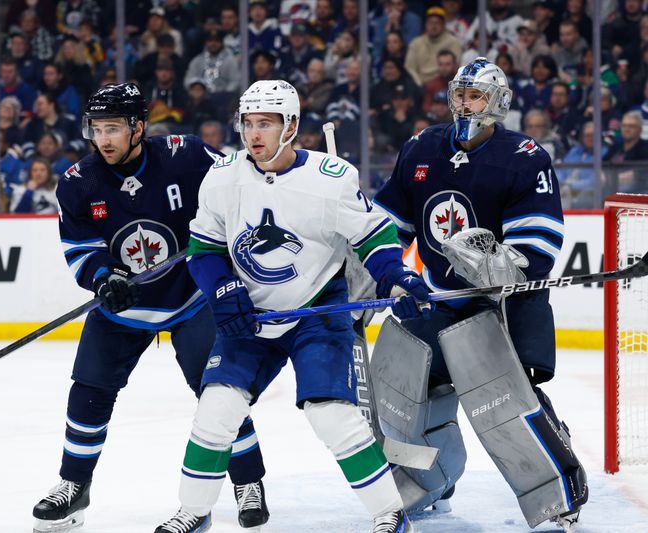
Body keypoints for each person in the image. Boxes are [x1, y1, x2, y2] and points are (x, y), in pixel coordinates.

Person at [154, 79, 432, 533]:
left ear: (292, 126)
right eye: (248, 123)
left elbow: (374, 238)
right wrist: (223, 290)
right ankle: (194, 511)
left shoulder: (331, 178)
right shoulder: (223, 176)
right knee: (217, 408)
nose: (254, 134)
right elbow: (202, 252)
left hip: (315, 312)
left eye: (266, 123)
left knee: (333, 415)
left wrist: (397, 276)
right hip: (251, 316)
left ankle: (391, 514)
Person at [30, 83, 269, 533]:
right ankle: (73, 483)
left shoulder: (186, 155)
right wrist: (104, 278)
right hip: (126, 308)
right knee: (89, 389)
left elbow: (241, 183)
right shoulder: (79, 183)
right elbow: (80, 248)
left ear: (139, 127)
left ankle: (248, 482)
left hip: (191, 297)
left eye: (114, 129)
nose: (104, 139)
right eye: (97, 129)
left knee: (220, 393)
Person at [373, 57, 588, 532]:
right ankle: (428, 483)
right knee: (401, 397)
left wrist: (490, 263)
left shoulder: (526, 156)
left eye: (476, 95)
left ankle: (559, 493)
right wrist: (386, 274)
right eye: (460, 94)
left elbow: (535, 247)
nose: (466, 104)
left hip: (499, 307)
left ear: (499, 102)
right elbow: (389, 227)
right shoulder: (422, 147)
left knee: (506, 408)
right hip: (435, 299)